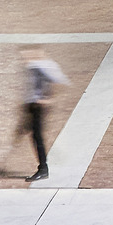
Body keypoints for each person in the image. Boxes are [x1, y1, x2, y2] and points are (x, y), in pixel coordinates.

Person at [19, 48, 70, 181]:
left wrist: (47, 100)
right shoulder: (34, 66)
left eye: (27, 55)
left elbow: (60, 83)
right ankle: (42, 167)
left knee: (37, 137)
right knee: (33, 135)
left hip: (37, 107)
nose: (25, 59)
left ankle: (43, 168)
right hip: (31, 105)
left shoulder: (43, 66)